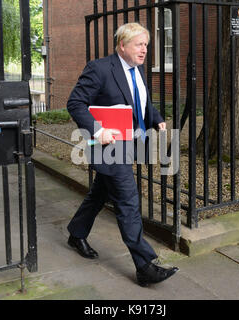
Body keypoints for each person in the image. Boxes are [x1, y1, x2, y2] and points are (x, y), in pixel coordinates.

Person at [66, 23, 178, 287]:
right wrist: (97, 130)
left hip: (131, 145)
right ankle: (145, 266)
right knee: (128, 201)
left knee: (100, 193)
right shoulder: (101, 68)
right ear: (122, 45)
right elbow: (75, 103)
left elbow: (140, 101)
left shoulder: (137, 70)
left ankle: (76, 232)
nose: (144, 50)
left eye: (146, 45)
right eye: (139, 44)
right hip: (109, 147)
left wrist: (156, 119)